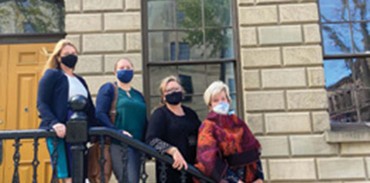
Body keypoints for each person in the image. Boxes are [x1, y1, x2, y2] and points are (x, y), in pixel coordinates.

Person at [37, 39, 97, 183]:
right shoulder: (52, 75)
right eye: (67, 53)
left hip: (80, 131)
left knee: (80, 172)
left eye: (74, 53)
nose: (71, 56)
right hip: (61, 131)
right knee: (66, 173)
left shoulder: (80, 80)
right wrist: (54, 123)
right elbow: (42, 103)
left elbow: (90, 109)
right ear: (58, 57)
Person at [195, 81, 264, 183]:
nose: (220, 103)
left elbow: (253, 151)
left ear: (228, 100)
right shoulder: (208, 126)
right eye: (216, 100)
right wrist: (235, 181)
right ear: (210, 105)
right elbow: (208, 160)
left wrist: (259, 178)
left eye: (223, 99)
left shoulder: (238, 122)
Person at [95, 58, 147, 183]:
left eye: (128, 68)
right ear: (115, 72)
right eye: (122, 68)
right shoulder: (110, 89)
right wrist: (117, 132)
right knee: (129, 180)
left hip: (137, 145)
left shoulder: (138, 95)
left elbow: (144, 119)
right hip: (119, 143)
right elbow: (100, 113)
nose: (125, 70)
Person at [146, 75, 201, 183]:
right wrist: (172, 150)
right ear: (163, 96)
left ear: (183, 92)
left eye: (176, 89)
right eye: (169, 90)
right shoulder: (160, 114)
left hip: (193, 170)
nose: (173, 92)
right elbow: (151, 140)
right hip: (170, 171)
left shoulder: (190, 113)